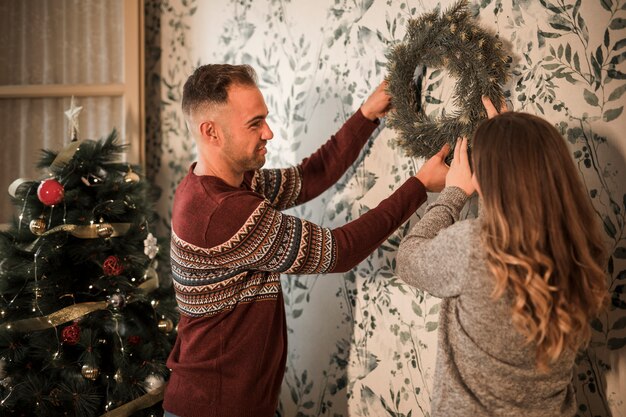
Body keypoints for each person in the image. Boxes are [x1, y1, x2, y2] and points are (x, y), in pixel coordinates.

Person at [163, 64, 450, 417]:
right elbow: (339, 252)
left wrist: (366, 114)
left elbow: (309, 177)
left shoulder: (231, 184)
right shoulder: (221, 212)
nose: (268, 132)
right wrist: (419, 186)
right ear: (212, 132)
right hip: (214, 407)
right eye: (254, 123)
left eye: (264, 118)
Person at [396, 104, 609, 416]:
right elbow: (514, 220)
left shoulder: (473, 247)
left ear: (487, 181)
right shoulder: (585, 249)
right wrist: (511, 144)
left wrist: (453, 193)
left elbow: (408, 259)